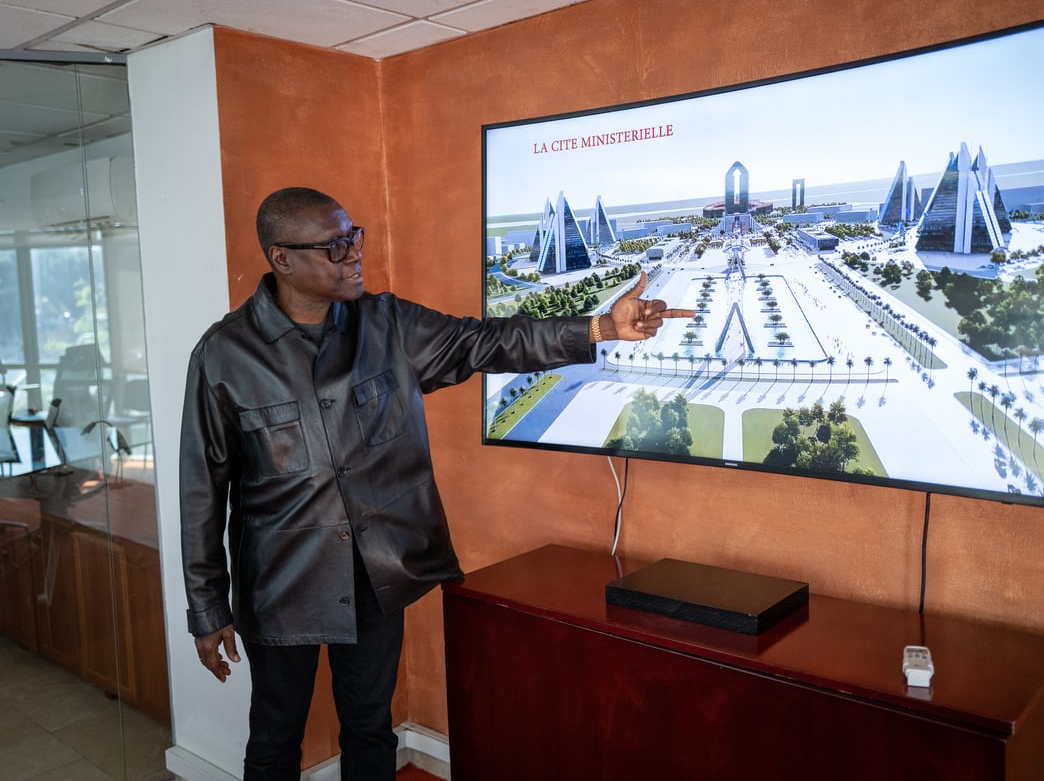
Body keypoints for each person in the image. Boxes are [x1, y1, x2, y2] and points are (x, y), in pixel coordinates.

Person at [179, 186, 691, 780]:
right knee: (274, 739)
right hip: (281, 581)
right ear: (282, 258)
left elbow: (488, 342)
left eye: (355, 236)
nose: (353, 254)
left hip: (376, 572)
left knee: (370, 728)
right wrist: (207, 605)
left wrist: (599, 327)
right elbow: (202, 489)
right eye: (334, 245)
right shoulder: (224, 354)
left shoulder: (388, 323)